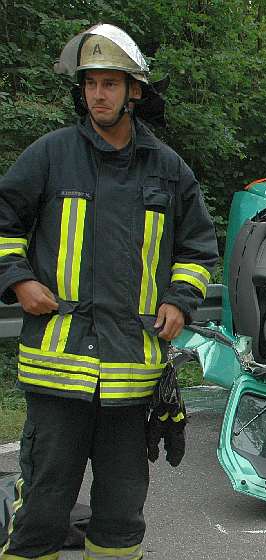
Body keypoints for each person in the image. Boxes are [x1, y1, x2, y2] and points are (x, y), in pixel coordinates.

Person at [0, 24, 218, 559]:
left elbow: (198, 249)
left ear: (133, 92)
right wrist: (19, 279)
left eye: (110, 84)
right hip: (58, 369)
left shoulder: (168, 169)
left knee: (122, 515)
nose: (98, 95)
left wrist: (178, 300)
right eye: (90, 84)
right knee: (43, 510)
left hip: (130, 376)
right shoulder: (51, 156)